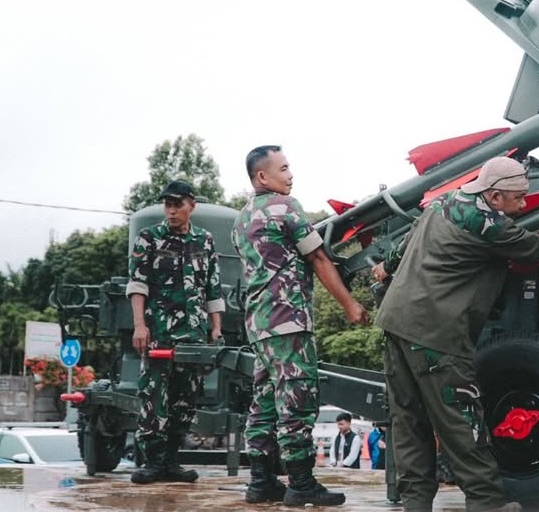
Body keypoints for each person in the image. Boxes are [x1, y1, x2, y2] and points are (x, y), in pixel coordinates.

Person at [371, 156, 539, 512]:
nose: (523, 204)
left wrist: (388, 265)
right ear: (493, 197)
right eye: (518, 198)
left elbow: (410, 237)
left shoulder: (445, 202)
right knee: (462, 422)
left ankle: (416, 504)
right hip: (436, 335)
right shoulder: (489, 225)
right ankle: (488, 504)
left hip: (396, 324)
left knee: (408, 421)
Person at [233, 145, 371, 506]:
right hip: (288, 321)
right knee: (296, 402)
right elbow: (319, 257)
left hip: (259, 326)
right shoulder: (286, 207)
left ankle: (261, 483)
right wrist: (349, 304)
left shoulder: (242, 218)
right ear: (263, 176)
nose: (290, 174)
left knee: (264, 403)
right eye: (284, 168)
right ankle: (301, 484)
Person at [126, 179, 224, 485]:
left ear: (191, 205)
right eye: (167, 205)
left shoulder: (205, 241)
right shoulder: (149, 238)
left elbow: (212, 288)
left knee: (185, 401)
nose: (170, 211)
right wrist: (140, 325)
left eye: (177, 205)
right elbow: (138, 285)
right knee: (153, 398)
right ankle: (153, 462)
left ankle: (171, 461)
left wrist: (216, 329)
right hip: (159, 335)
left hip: (193, 337)